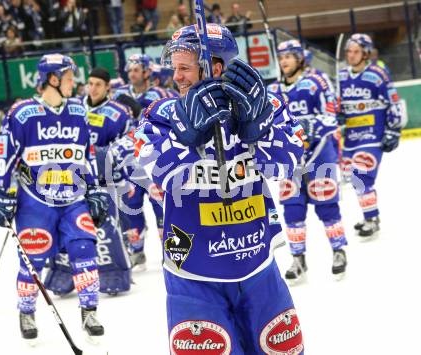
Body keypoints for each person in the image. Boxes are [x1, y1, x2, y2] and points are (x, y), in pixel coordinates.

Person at [130, 23, 305, 353]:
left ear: (216, 67)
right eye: (175, 68)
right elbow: (154, 172)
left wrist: (258, 129)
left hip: (258, 266)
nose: (176, 77)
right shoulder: (162, 114)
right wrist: (186, 136)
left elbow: (287, 165)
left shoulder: (264, 106)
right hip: (193, 273)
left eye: (184, 68)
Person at [0, 54, 108, 340]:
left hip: (73, 198)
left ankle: (89, 311)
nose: (73, 83)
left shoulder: (78, 112)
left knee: (84, 248)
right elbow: (4, 156)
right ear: (52, 79)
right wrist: (0, 192)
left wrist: (95, 187)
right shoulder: (21, 113)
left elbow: (86, 155)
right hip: (34, 201)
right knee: (33, 258)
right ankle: (27, 312)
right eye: (68, 77)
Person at [44, 67, 132, 297]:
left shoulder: (119, 113)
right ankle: (62, 274)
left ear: (107, 88)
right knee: (62, 225)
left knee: (103, 229)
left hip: (102, 179)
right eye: (90, 83)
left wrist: (106, 158)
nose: (92, 88)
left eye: (98, 84)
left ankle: (113, 274)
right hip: (69, 179)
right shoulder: (72, 107)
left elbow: (129, 146)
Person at [268, 40, 348, 283]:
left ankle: (338, 251)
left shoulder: (318, 82)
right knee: (292, 209)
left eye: (289, 56)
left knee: (326, 205)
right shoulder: (272, 92)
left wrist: (310, 126)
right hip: (290, 161)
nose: (283, 61)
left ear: (300, 59)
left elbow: (332, 116)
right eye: (281, 57)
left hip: (319, 154)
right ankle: (298, 258)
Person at [339, 33, 402, 238]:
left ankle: (371, 219)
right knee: (356, 180)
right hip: (350, 140)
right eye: (349, 51)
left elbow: (393, 102)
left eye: (356, 51)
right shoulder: (341, 76)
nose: (351, 55)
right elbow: (338, 107)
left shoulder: (377, 74)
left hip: (372, 136)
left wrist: (393, 130)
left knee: (362, 176)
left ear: (366, 53)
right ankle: (370, 215)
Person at [112, 54, 166, 270]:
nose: (132, 74)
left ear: (147, 72)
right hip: (130, 164)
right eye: (130, 70)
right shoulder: (119, 95)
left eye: (136, 69)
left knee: (163, 207)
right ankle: (136, 251)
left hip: (156, 163)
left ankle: (170, 250)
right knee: (129, 208)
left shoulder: (159, 94)